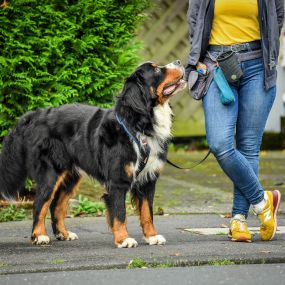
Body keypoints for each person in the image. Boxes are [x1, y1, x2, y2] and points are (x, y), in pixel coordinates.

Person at [186, 0, 284, 242]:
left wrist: (270, 54)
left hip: (258, 65)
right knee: (220, 142)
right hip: (216, 65)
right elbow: (195, 18)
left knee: (249, 145)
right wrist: (196, 57)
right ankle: (263, 203)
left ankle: (238, 219)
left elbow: (277, 16)